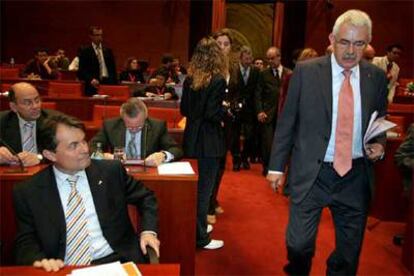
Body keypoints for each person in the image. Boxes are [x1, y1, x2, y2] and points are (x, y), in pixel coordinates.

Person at [267, 10, 388, 275]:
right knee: (298, 245)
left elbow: (379, 119)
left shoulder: (376, 78)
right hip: (313, 171)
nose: (350, 51)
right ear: (332, 38)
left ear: (368, 44)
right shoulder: (306, 72)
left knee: (348, 255)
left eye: (359, 44)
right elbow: (287, 121)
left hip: (354, 176)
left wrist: (379, 144)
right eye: (344, 42)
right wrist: (276, 166)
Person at [13, 114, 160, 271]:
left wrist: (148, 232)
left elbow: (146, 197)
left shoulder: (110, 172)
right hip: (63, 267)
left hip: (117, 262)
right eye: (73, 145)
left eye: (83, 141)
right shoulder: (29, 191)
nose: (85, 149)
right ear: (50, 154)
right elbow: (26, 240)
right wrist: (39, 261)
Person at [180, 36, 226, 250]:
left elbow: (184, 110)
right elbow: (212, 114)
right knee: (203, 192)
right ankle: (200, 238)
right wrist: (225, 110)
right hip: (209, 141)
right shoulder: (217, 80)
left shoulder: (190, 79)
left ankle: (198, 229)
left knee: (195, 191)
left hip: (191, 139)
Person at [90, 98, 182, 166]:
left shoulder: (157, 126)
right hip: (118, 172)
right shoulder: (110, 125)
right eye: (129, 126)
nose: (134, 130)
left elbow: (176, 149)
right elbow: (91, 147)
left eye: (138, 126)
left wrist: (163, 155)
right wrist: (103, 156)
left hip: (147, 171)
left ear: (145, 117)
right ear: (122, 119)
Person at [0, 82, 61, 167]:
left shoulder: (55, 121)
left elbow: (65, 153)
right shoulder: (2, 121)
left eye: (37, 100)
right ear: (14, 107)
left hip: (44, 174)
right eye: (28, 103)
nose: (35, 106)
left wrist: (39, 157)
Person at [255, 46, 292, 176]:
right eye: (268, 59)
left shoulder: (289, 73)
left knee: (281, 143)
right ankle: (267, 167)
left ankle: (278, 168)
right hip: (268, 114)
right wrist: (260, 111)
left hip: (283, 115)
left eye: (272, 58)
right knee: (268, 143)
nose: (270, 61)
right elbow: (257, 94)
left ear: (279, 57)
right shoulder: (263, 74)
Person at [227, 45, 260, 170]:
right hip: (236, 108)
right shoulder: (233, 70)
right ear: (240, 58)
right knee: (234, 136)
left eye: (250, 58)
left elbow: (257, 90)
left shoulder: (256, 71)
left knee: (250, 135)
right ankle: (236, 159)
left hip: (250, 109)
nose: (248, 61)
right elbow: (229, 90)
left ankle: (245, 157)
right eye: (246, 58)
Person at [78, 26, 118, 96]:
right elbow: (81, 71)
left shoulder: (108, 51)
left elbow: (113, 69)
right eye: (97, 35)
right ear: (91, 36)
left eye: (101, 35)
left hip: (107, 82)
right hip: (93, 84)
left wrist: (114, 84)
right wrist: (90, 79)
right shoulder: (85, 51)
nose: (100, 37)